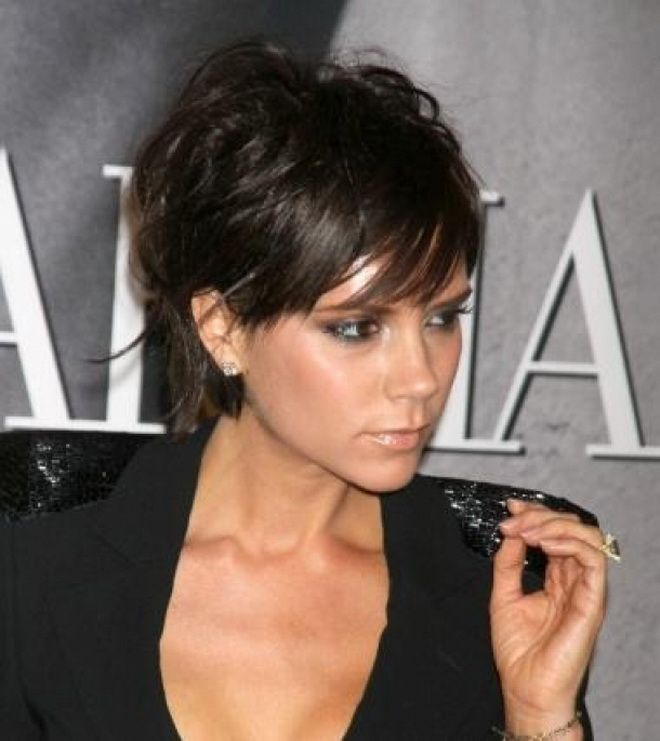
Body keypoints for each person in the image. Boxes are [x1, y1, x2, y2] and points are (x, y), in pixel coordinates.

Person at [0, 39, 612, 740]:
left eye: (441, 318)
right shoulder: (36, 576)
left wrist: (539, 716)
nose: (421, 377)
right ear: (223, 327)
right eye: (356, 328)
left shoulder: (491, 601)